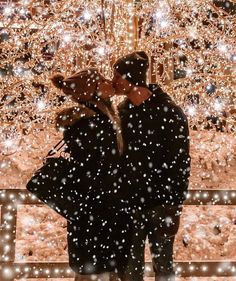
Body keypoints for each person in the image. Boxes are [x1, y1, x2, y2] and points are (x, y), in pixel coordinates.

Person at [112, 51, 191, 281]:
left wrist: (174, 205)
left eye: (118, 76)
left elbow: (180, 161)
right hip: (130, 207)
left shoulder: (168, 112)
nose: (114, 81)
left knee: (164, 268)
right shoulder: (122, 112)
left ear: (132, 79)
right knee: (129, 271)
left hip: (161, 205)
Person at [51, 68, 131, 281]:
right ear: (92, 90)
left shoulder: (101, 118)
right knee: (94, 270)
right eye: (102, 80)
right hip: (96, 210)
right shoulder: (91, 124)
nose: (108, 83)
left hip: (97, 209)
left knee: (94, 269)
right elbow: (94, 170)